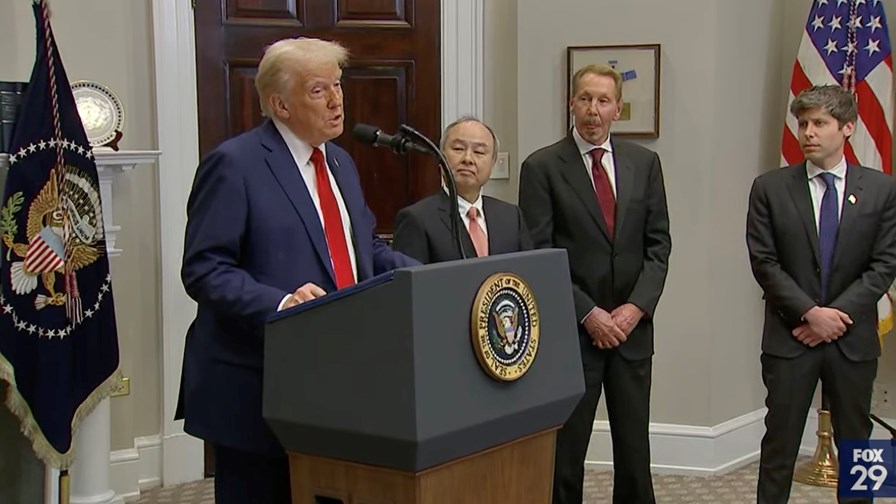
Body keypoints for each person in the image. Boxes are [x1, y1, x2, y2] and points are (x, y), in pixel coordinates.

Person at [176, 37, 418, 503]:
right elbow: (204, 269)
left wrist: (423, 276)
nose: (337, 100)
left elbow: (361, 248)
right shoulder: (235, 164)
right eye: (318, 90)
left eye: (339, 86)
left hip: (335, 377)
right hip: (258, 383)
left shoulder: (340, 162)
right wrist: (282, 303)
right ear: (279, 104)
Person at [518, 64, 671, 504]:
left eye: (603, 101)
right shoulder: (542, 167)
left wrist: (636, 307)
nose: (592, 110)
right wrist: (588, 313)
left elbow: (659, 245)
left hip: (632, 330)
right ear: (571, 103)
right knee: (567, 452)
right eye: (584, 98)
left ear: (617, 109)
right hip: (573, 332)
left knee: (634, 450)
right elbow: (539, 256)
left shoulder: (645, 164)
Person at [746, 84, 896, 504]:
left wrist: (834, 317)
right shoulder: (770, 188)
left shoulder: (883, 190)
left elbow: (884, 264)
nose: (808, 132)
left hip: (853, 338)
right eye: (803, 123)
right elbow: (764, 262)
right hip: (790, 337)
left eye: (819, 123)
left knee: (860, 446)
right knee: (780, 444)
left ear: (847, 128)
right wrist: (810, 313)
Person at [393, 116, 532, 262]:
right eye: (458, 149)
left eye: (479, 152)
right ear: (441, 157)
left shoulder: (511, 217)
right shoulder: (416, 219)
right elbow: (411, 283)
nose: (468, 159)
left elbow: (529, 273)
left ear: (493, 163)